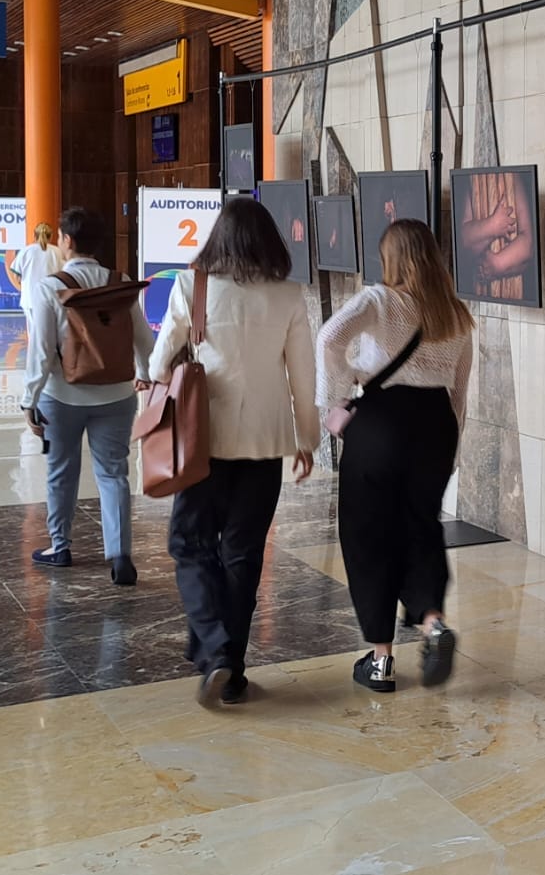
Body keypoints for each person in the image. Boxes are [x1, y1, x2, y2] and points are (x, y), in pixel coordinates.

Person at [150, 197, 319, 709]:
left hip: (204, 443)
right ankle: (234, 669)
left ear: (217, 239)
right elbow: (302, 376)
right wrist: (306, 440)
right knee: (242, 555)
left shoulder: (192, 286)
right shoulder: (290, 296)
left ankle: (217, 650)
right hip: (265, 444)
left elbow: (160, 367)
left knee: (190, 545)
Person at [318, 219, 474, 694]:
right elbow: (459, 390)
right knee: (421, 528)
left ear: (392, 259)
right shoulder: (456, 313)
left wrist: (338, 396)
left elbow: (328, 338)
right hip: (435, 427)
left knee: (368, 537)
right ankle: (432, 624)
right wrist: (452, 445)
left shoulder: (380, 300)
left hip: (381, 423)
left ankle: (381, 660)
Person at [21, 206, 152, 584]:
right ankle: (121, 554)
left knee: (60, 471)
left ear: (68, 241)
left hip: (62, 397)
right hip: (116, 396)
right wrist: (143, 374)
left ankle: (60, 546)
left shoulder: (51, 287)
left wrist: (29, 399)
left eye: (61, 237)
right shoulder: (120, 281)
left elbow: (42, 352)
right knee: (114, 474)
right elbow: (143, 337)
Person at [13, 222, 67, 317]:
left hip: (29, 299)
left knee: (33, 330)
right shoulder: (57, 251)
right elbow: (64, 274)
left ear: (34, 235)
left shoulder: (25, 251)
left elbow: (17, 276)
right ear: (51, 236)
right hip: (52, 298)